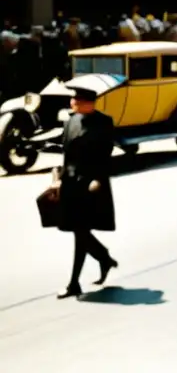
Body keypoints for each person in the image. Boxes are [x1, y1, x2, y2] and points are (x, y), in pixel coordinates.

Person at [55, 86, 118, 299]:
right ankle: (104, 258)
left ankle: (74, 283)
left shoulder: (103, 123)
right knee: (77, 231)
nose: (73, 102)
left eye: (78, 99)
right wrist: (57, 177)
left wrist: (96, 180)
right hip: (70, 183)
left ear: (90, 102)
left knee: (80, 232)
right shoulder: (71, 121)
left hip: (90, 185)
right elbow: (66, 153)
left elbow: (104, 156)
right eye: (73, 99)